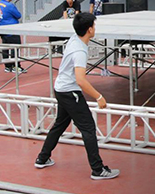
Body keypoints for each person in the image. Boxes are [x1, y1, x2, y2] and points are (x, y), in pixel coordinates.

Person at [34, 13, 120, 180]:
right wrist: (99, 96)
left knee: (60, 124)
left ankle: (42, 158)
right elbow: (81, 80)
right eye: (94, 26)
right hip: (70, 92)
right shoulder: (79, 50)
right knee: (88, 128)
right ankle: (98, 169)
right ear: (89, 30)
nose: (95, 28)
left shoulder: (75, 37)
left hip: (61, 88)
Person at [0, 0, 25, 73]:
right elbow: (18, 15)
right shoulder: (9, 5)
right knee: (15, 48)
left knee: (5, 48)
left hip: (3, 31)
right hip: (12, 30)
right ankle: (16, 66)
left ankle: (7, 66)